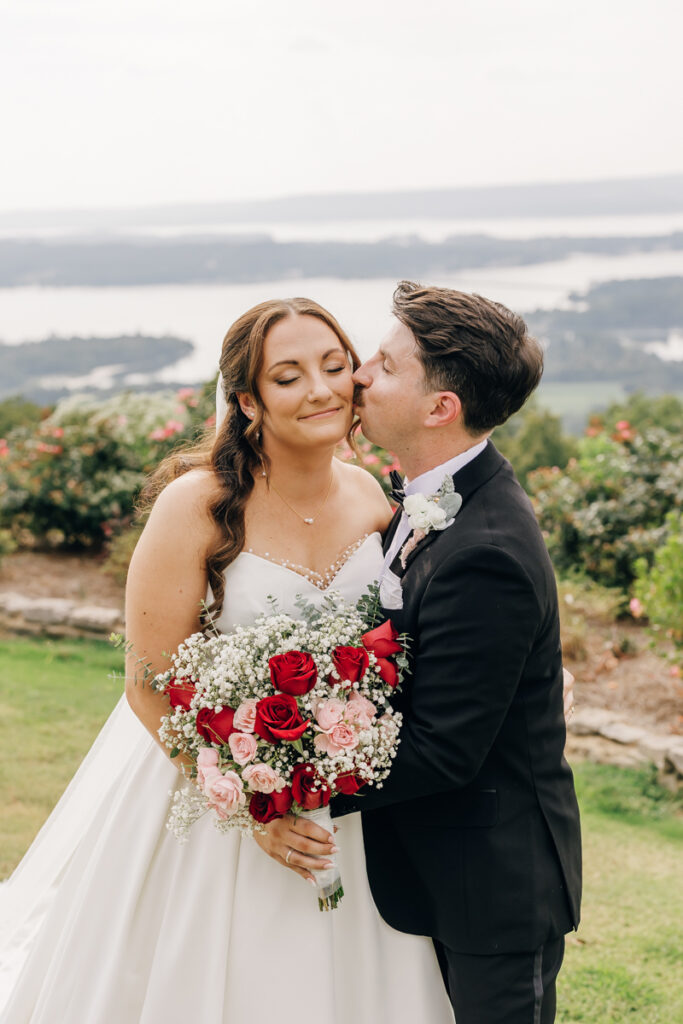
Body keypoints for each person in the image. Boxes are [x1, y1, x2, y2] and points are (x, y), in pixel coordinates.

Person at [0, 298, 454, 1023]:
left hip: (344, 802)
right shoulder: (195, 506)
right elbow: (148, 685)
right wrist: (253, 805)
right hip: (218, 799)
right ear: (247, 401)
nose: (320, 390)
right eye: (288, 376)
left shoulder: (369, 494)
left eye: (334, 366)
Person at [256, 282, 582, 1024]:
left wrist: (284, 785)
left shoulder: (488, 549)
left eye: (385, 364)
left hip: (492, 887)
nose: (359, 375)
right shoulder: (426, 497)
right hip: (432, 867)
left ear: (440, 408)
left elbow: (443, 751)